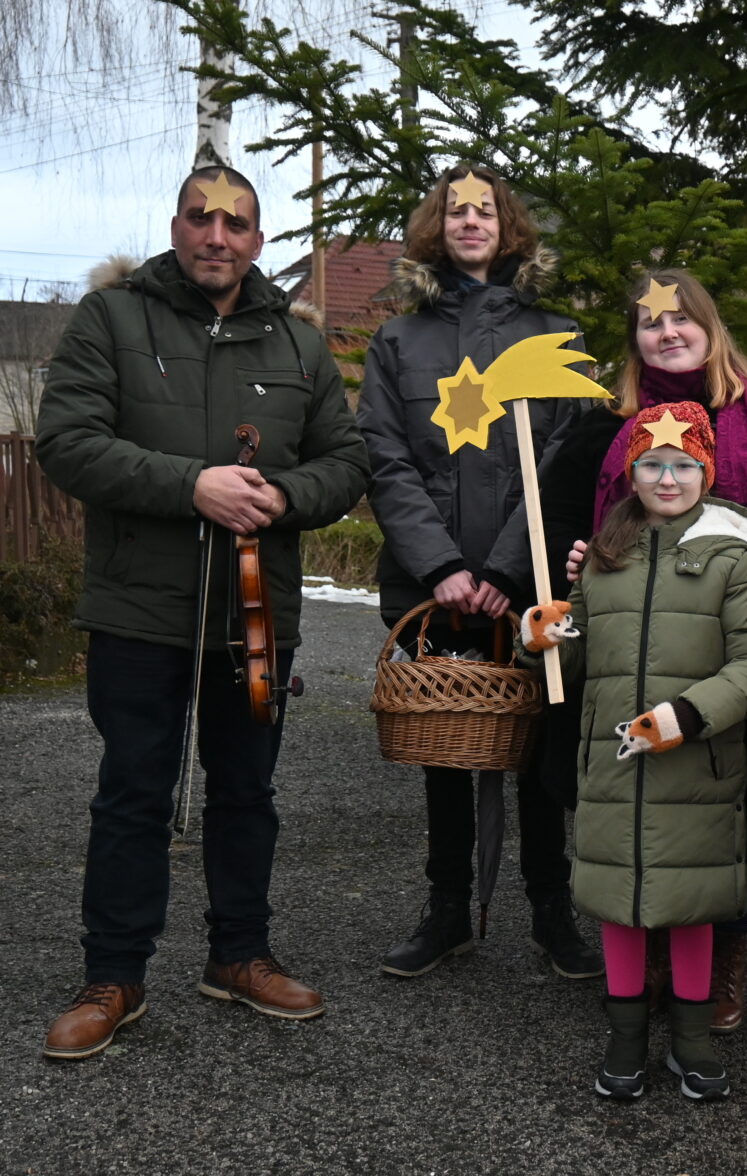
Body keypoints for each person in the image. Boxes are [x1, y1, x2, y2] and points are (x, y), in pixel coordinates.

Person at [35, 165, 369, 1059]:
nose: (216, 236)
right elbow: (67, 443)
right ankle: (114, 974)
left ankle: (240, 955)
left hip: (256, 614)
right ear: (176, 225)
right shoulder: (111, 319)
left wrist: (282, 496)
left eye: (236, 223)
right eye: (199, 217)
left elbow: (346, 462)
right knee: (133, 792)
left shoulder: (299, 345)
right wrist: (193, 485)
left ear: (258, 239)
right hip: (139, 607)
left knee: (248, 791)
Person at [540, 268, 747, 1030]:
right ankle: (642, 957)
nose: (667, 332)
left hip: (736, 651)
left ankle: (722, 952)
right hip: (624, 652)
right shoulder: (600, 430)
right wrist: (572, 567)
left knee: (726, 803)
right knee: (634, 801)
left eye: (682, 319)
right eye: (650, 321)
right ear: (634, 338)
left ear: (710, 327)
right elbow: (559, 522)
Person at [356, 164, 602, 982]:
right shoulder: (399, 342)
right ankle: (448, 909)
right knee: (447, 743)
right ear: (438, 225)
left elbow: (566, 459)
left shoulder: (554, 334)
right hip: (435, 586)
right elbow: (385, 456)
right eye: (456, 210)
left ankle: (551, 907)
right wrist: (442, 566)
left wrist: (506, 567)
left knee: (538, 743)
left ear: (508, 226)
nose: (470, 222)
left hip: (526, 582)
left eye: (485, 211)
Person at [522, 400, 747, 1101]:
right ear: (631, 472)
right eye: (652, 464)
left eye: (683, 465)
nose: (667, 479)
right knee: (620, 901)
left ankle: (692, 1038)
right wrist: (543, 638)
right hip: (613, 767)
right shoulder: (603, 557)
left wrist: (689, 715)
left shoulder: (733, 558)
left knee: (692, 904)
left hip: (696, 767)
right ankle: (626, 1035)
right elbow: (572, 663)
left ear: (707, 471)